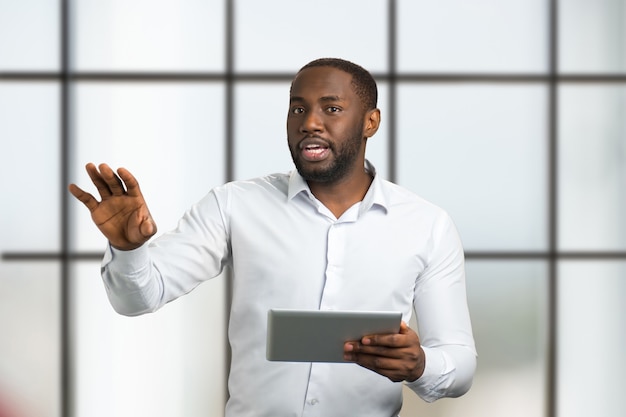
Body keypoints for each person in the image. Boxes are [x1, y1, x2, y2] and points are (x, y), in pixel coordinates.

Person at [69, 58, 476, 416]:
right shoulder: (234, 205)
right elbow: (137, 298)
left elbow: (459, 364)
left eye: (331, 108)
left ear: (370, 121)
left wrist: (420, 365)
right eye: (297, 108)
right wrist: (129, 249)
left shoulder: (427, 226)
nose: (309, 122)